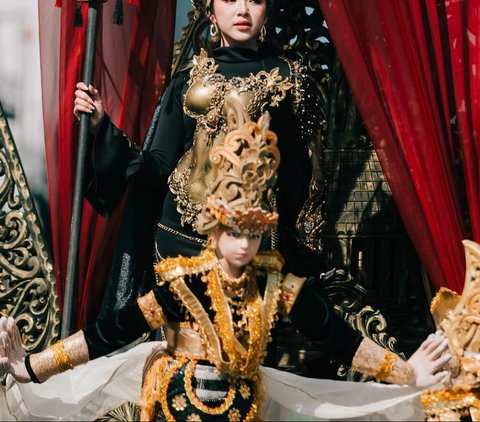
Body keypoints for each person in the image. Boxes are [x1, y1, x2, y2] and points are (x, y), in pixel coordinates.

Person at [0, 102, 450, 422]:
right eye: (234, 232)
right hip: (177, 403)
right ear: (213, 228)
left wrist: (407, 371)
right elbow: (113, 330)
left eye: (253, 234)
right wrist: (35, 366)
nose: (243, 245)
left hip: (244, 406)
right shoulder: (184, 284)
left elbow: (335, 335)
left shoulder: (277, 286)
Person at [75, 0, 322, 314]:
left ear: (267, 10)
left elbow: (300, 178)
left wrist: (290, 253)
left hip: (250, 247)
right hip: (178, 238)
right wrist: (101, 128)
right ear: (211, 11)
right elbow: (156, 166)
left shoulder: (290, 76)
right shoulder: (189, 78)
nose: (242, 10)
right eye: (230, 0)